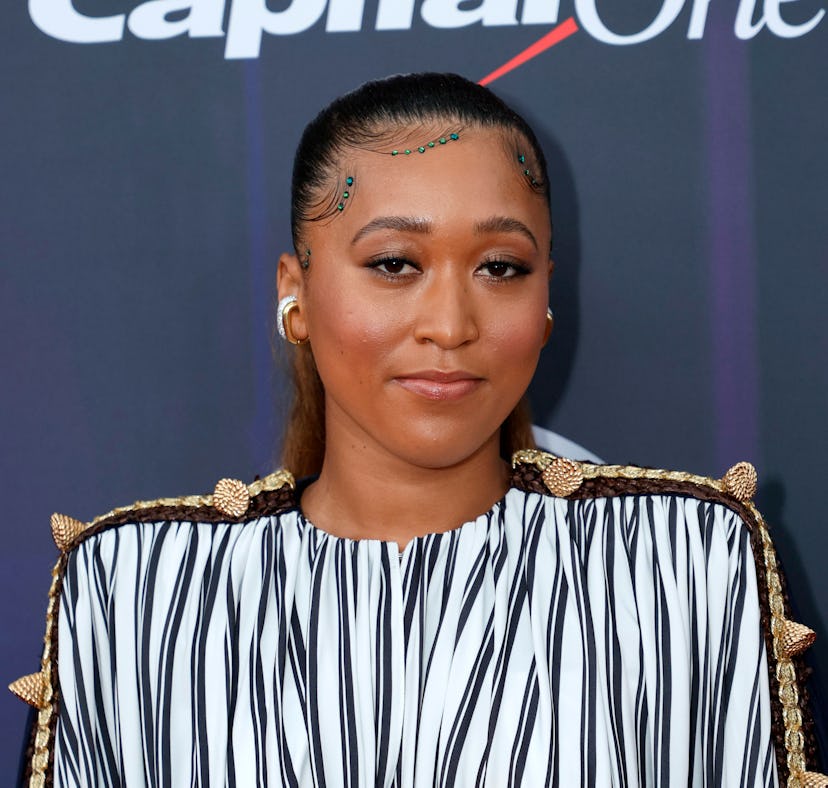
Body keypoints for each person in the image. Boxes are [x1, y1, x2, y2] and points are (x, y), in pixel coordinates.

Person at [11, 73, 822, 787]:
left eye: (500, 267)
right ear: (297, 292)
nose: (450, 323)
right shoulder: (134, 590)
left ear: (546, 299)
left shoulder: (687, 563)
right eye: (395, 263)